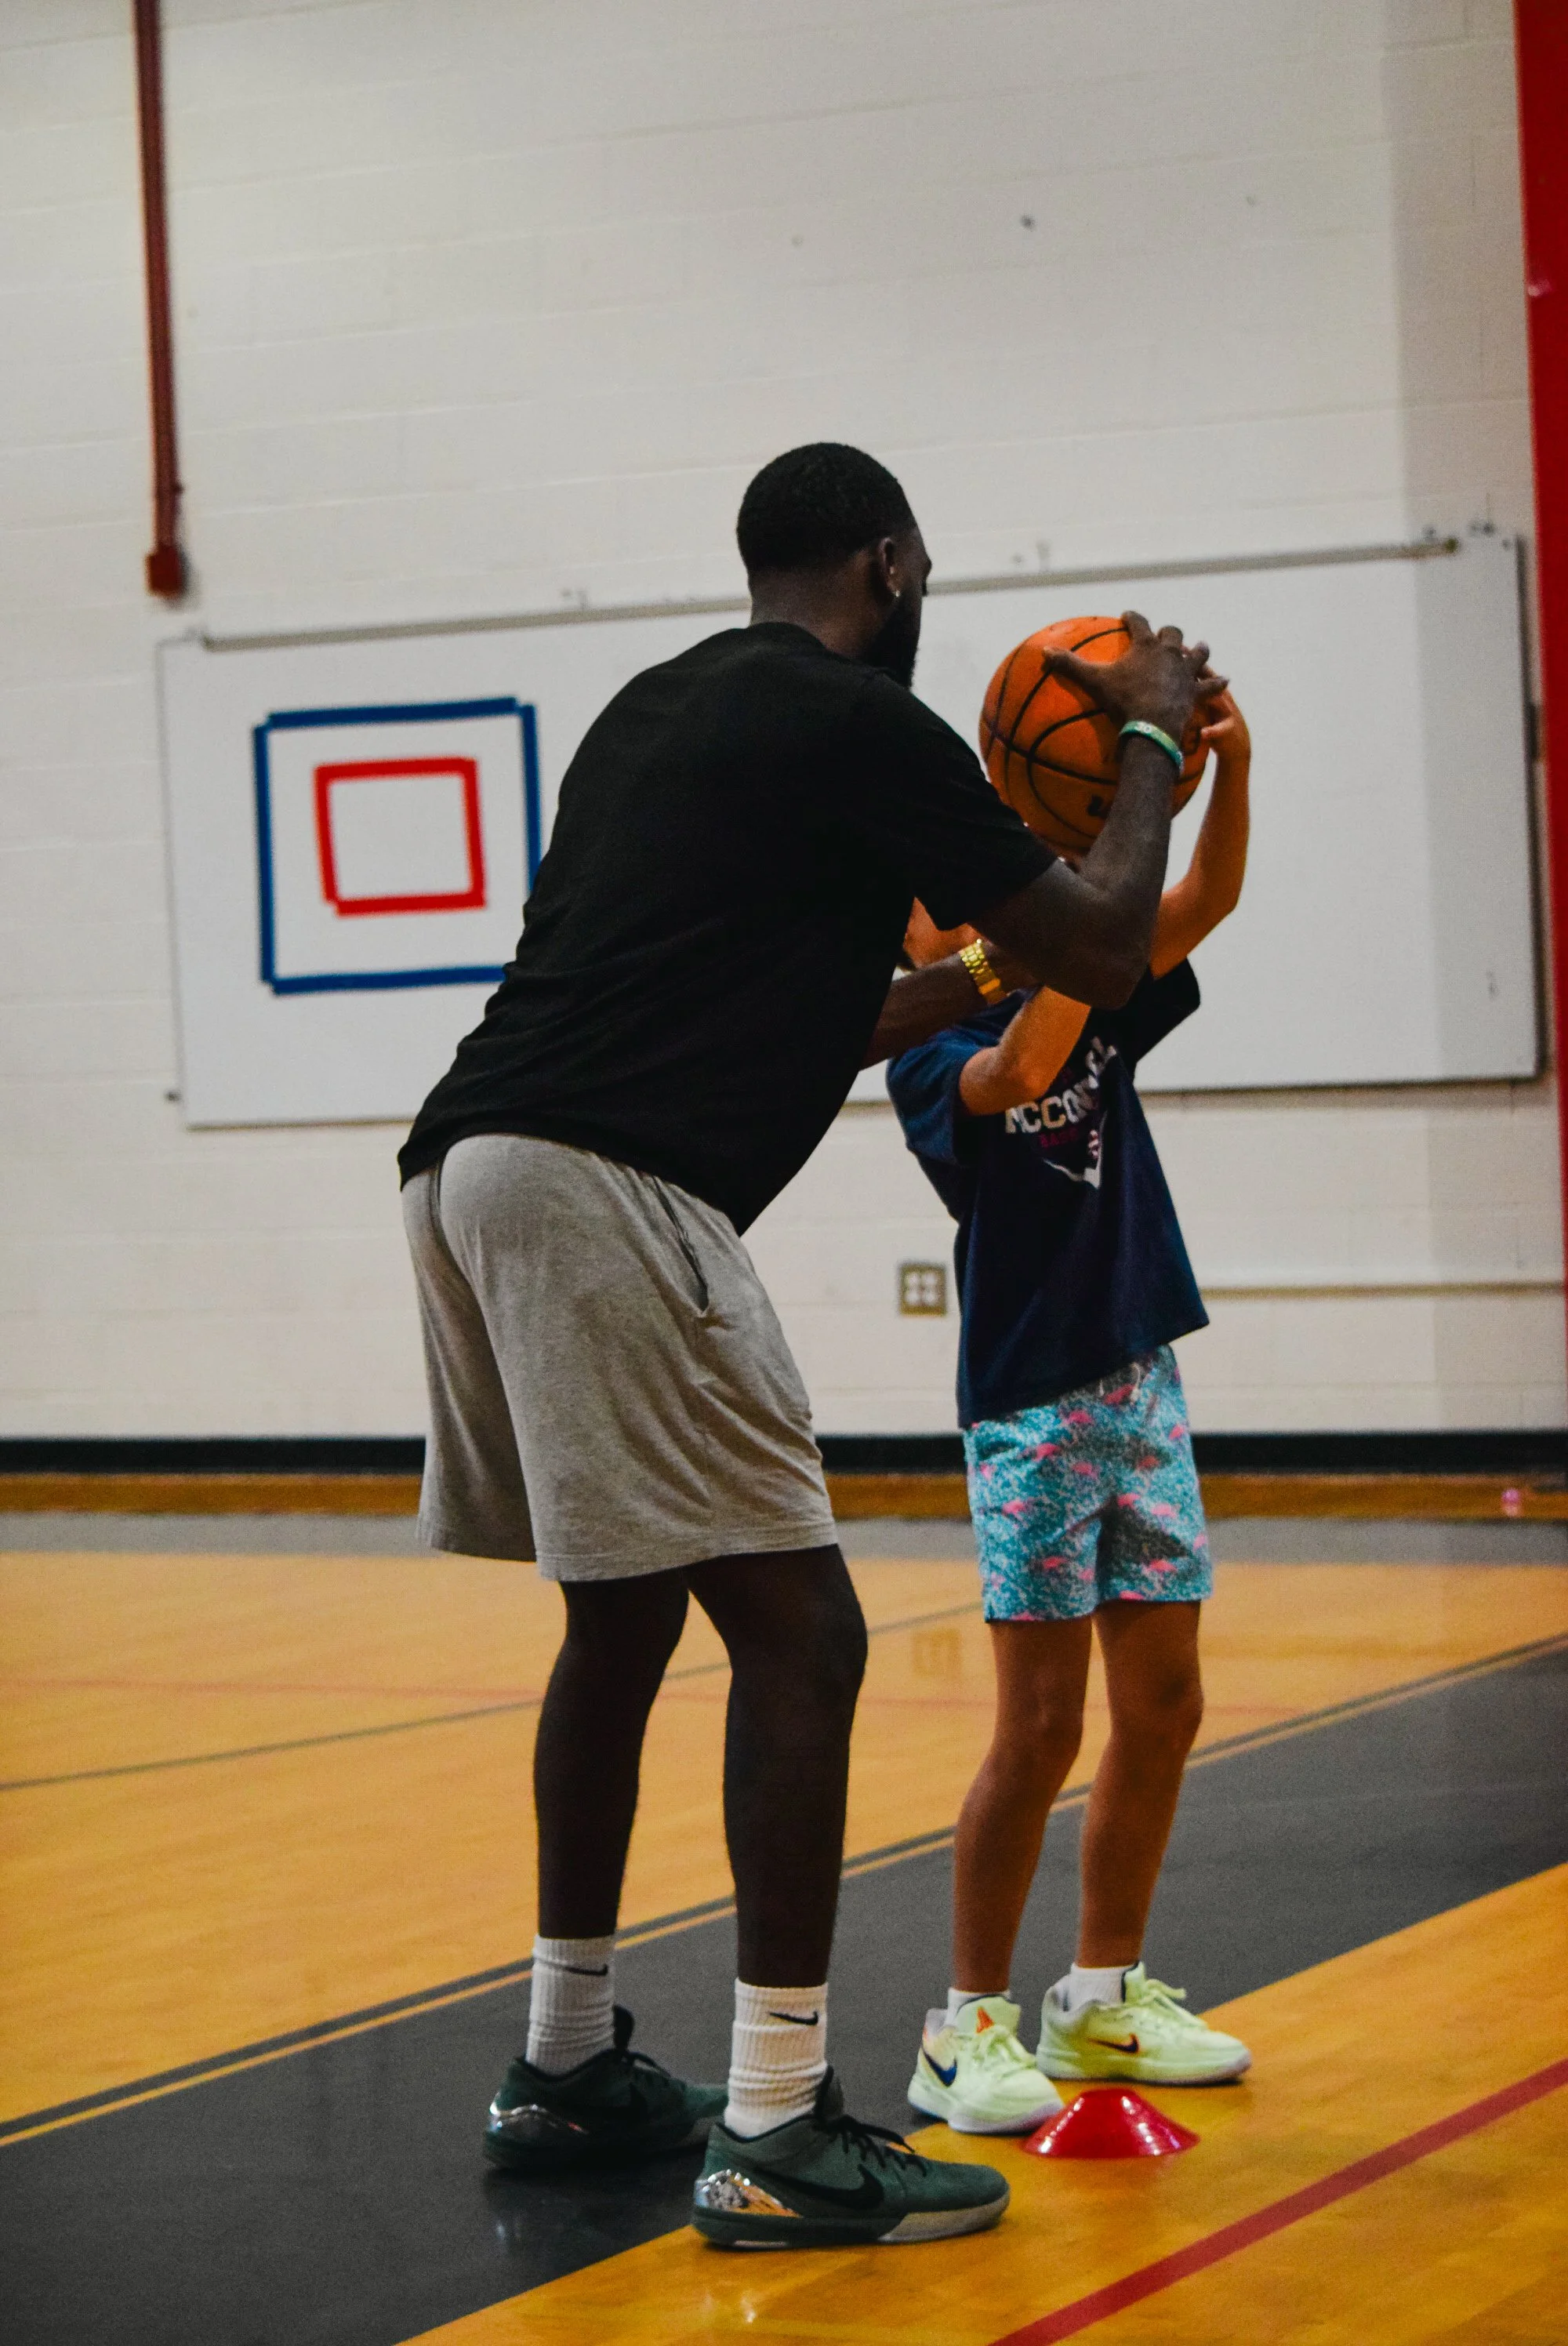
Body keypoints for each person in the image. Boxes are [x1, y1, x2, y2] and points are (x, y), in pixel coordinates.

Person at [397, 441, 1223, 2249]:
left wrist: (969, 980)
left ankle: (562, 2063)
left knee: (617, 1619)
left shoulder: (654, 710)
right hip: (614, 1186)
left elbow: (808, 1001)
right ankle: (777, 2121)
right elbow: (1098, 921)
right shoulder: (863, 724)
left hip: (467, 1167)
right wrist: (1150, 739)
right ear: (895, 560)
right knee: (804, 1635)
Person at [888, 694, 1254, 2138]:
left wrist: (1232, 763)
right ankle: (963, 2025)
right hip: (1030, 1408)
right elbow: (1023, 1073)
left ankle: (1102, 1996)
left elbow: (1210, 893)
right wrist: (1087, 917)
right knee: (1036, 1730)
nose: (958, 905)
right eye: (935, 904)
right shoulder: (925, 1058)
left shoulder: (1088, 972)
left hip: (1139, 1379)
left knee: (1166, 1703)